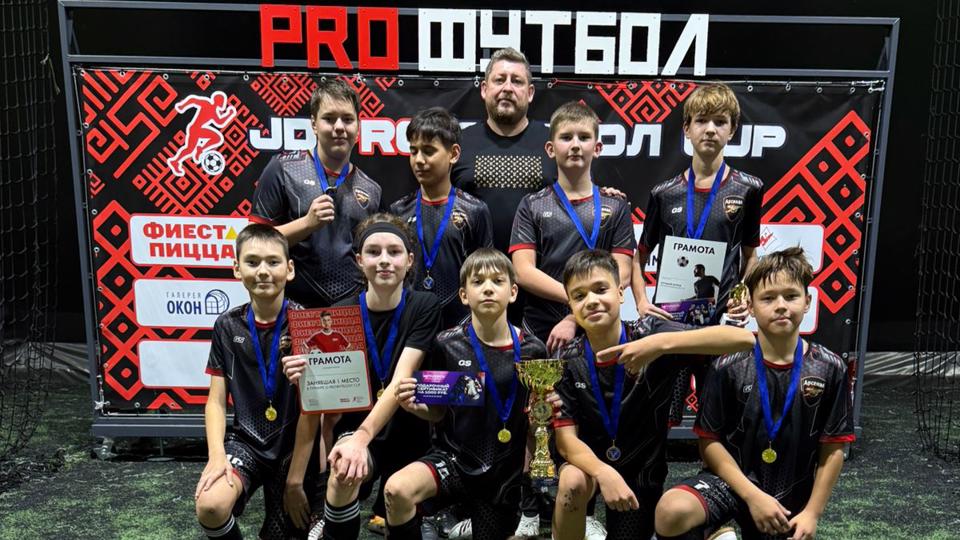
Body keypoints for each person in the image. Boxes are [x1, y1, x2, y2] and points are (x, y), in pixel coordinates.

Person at [550, 249, 755, 540]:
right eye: (579, 295)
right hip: (589, 467)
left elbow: (743, 339)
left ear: (621, 293)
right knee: (571, 482)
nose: (592, 300)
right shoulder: (567, 360)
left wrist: (659, 344)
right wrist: (604, 473)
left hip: (641, 472)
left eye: (600, 289)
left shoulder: (651, 333)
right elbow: (566, 441)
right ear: (571, 305)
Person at [653, 247, 854, 540]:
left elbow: (833, 449)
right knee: (671, 511)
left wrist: (812, 513)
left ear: (807, 302)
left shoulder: (830, 367)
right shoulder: (727, 366)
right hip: (732, 485)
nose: (781, 306)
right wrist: (752, 495)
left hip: (789, 498)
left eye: (791, 296)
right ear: (751, 306)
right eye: (768, 298)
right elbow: (709, 443)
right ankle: (718, 532)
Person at [282, 214, 441, 540]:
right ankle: (333, 523)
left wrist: (361, 439)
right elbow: (324, 403)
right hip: (356, 427)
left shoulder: (425, 306)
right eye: (373, 251)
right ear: (359, 261)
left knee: (399, 494)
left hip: (410, 428)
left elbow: (399, 381)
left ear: (410, 261)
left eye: (394, 252)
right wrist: (306, 379)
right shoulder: (339, 313)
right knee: (343, 470)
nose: (384, 260)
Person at [381, 248, 548, 540]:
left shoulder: (534, 351)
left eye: (497, 281)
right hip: (453, 461)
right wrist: (415, 406)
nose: (488, 288)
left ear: (513, 292)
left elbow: (537, 419)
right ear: (463, 295)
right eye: (478, 282)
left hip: (501, 476)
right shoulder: (445, 344)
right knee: (397, 490)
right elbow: (439, 411)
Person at [195, 224, 316, 540]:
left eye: (273, 262)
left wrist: (295, 480)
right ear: (237, 268)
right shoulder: (226, 325)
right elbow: (216, 401)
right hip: (246, 443)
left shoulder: (307, 324)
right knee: (210, 505)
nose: (263, 271)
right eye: (252, 262)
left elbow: (313, 409)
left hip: (293, 447)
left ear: (290, 269)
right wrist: (216, 456)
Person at [510, 101, 637, 352]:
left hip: (599, 326)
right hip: (541, 332)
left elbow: (622, 273)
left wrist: (575, 313)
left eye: (584, 137)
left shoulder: (616, 206)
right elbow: (523, 271)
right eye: (566, 137)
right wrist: (577, 297)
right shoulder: (532, 205)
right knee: (539, 380)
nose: (576, 145)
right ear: (550, 149)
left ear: (597, 148)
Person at [633, 82, 762, 325]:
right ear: (687, 129)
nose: (710, 130)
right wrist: (641, 301)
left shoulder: (749, 189)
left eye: (720, 122)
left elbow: (751, 257)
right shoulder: (663, 193)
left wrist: (743, 294)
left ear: (732, 130)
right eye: (701, 121)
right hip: (670, 319)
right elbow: (639, 257)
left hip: (723, 321)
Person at [251, 77, 384, 309]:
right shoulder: (283, 169)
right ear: (314, 124)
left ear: (358, 126)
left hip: (352, 311)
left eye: (348, 119)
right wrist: (307, 224)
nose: (339, 127)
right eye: (329, 119)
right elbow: (253, 243)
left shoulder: (372, 189)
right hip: (294, 307)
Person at [390, 107, 494, 329]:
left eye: (428, 151)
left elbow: (485, 274)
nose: (419, 160)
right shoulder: (398, 211)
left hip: (462, 325)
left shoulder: (475, 210)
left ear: (453, 154)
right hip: (410, 322)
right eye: (413, 151)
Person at [452, 47, 557, 255]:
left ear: (530, 93)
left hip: (540, 271)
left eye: (517, 81)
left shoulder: (554, 144)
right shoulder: (459, 144)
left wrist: (604, 194)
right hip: (475, 271)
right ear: (484, 89)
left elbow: (580, 195)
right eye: (500, 80)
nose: (507, 88)